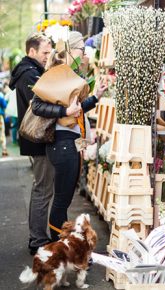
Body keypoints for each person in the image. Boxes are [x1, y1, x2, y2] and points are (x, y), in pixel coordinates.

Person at [32, 31, 108, 241]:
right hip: (62, 143)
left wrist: (96, 97)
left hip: (68, 143)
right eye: (82, 50)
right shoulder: (57, 74)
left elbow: (76, 110)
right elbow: (37, 106)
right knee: (62, 200)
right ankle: (60, 246)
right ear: (71, 50)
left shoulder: (67, 75)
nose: (84, 55)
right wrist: (64, 112)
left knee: (63, 199)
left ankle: (61, 245)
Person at [9, 33, 53, 255]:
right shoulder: (29, 74)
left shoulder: (30, 71)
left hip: (36, 139)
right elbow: (40, 105)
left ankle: (38, 237)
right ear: (32, 51)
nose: (48, 56)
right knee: (42, 190)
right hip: (38, 139)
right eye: (45, 52)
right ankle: (37, 240)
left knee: (42, 188)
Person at [0, 89, 7, 156]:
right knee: (2, 133)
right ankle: (4, 150)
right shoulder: (0, 96)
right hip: (0, 117)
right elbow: (4, 105)